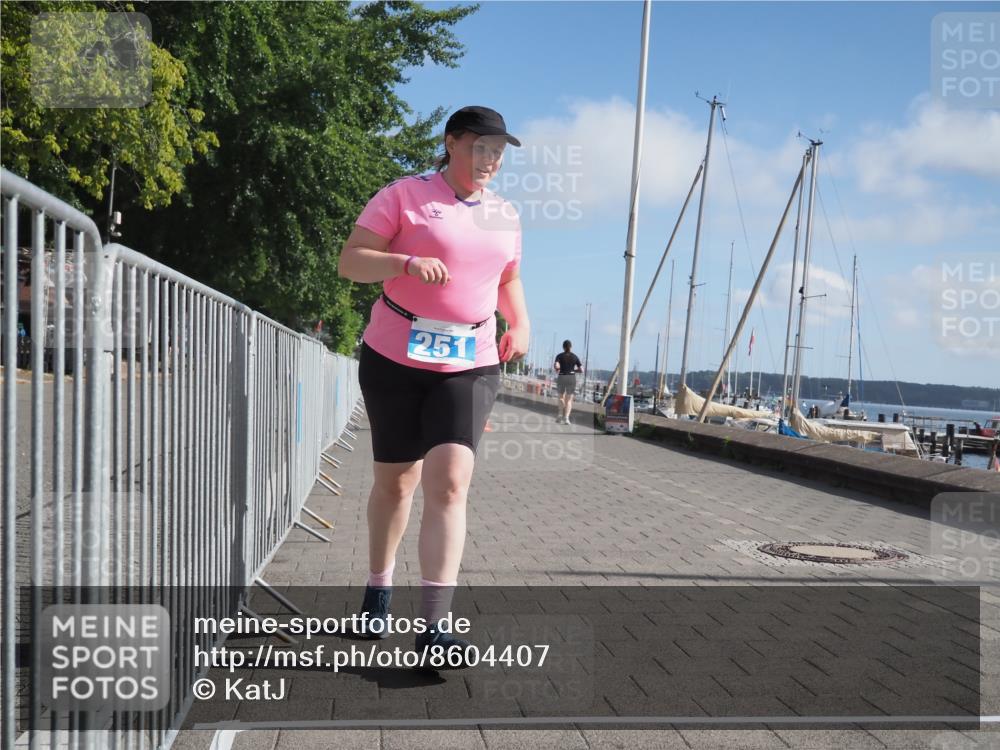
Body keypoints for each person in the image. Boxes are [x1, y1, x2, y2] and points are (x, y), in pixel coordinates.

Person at [337, 106, 530, 666]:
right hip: (394, 356)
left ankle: (434, 628)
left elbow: (510, 278)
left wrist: (520, 323)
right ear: (451, 143)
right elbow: (351, 262)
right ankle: (378, 588)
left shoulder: (505, 214)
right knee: (397, 484)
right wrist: (403, 263)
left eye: (499, 152)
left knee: (448, 483)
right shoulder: (403, 195)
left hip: (470, 359)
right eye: (481, 147)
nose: (490, 160)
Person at [553, 340, 582, 424]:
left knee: (560, 397)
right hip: (571, 378)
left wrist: (557, 368)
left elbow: (556, 365)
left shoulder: (559, 356)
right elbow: (582, 369)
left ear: (563, 347)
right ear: (571, 347)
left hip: (562, 377)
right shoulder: (575, 357)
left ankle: (560, 415)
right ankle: (566, 418)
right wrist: (574, 370)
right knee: (569, 400)